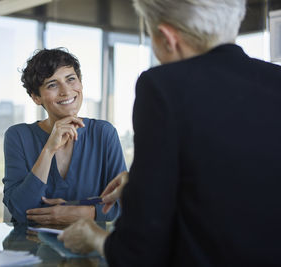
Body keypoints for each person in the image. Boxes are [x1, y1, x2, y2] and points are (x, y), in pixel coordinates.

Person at [58, 0, 281, 265]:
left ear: (167, 38)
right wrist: (143, 184)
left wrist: (95, 238)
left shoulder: (163, 85)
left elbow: (138, 251)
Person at [2, 48, 126, 224]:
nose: (66, 91)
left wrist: (77, 213)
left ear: (80, 83)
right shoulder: (18, 136)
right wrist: (49, 149)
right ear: (36, 97)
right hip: (30, 248)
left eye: (71, 79)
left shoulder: (103, 133)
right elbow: (21, 210)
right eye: (52, 84)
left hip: (89, 247)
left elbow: (122, 203)